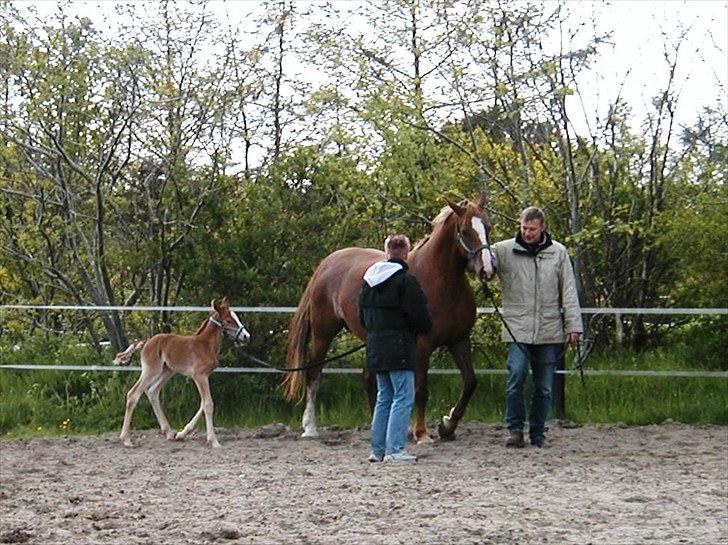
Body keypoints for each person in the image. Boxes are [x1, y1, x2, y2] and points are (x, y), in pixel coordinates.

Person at [490, 206, 583, 448]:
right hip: (517, 327)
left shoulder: (558, 252)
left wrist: (573, 324)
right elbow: (481, 265)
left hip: (549, 328)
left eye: (532, 229)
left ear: (542, 227)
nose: (527, 232)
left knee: (544, 386)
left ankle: (538, 432)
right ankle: (515, 429)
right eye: (524, 228)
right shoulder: (502, 250)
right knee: (516, 376)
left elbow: (569, 290)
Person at [358, 234, 432, 463]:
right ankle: (395, 449)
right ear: (406, 253)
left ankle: (377, 449)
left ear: (386, 252)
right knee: (403, 396)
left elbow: (362, 317)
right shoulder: (406, 282)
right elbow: (421, 318)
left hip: (375, 346)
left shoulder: (368, 283)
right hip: (400, 347)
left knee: (384, 397)